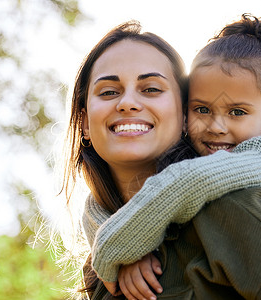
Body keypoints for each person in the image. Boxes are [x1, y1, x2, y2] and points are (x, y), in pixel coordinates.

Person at [82, 15, 261, 300]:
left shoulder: (251, 181)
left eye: (151, 89)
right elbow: (98, 206)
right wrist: (126, 243)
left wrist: (118, 244)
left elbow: (186, 182)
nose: (217, 126)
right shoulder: (126, 235)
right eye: (108, 91)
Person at [59, 20, 198, 299]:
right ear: (84, 123)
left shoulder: (232, 211)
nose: (127, 102)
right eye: (109, 92)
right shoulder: (101, 270)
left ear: (185, 115)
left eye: (151, 89)